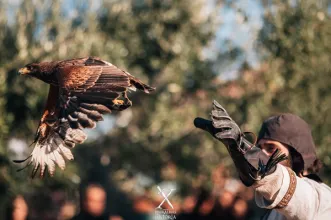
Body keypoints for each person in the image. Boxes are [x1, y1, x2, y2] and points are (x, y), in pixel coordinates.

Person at [194, 100, 331, 220]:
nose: (263, 154)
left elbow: (291, 190)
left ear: (296, 157)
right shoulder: (271, 213)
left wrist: (246, 150)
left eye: (271, 148)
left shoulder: (321, 199)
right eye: (259, 149)